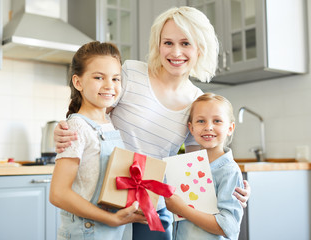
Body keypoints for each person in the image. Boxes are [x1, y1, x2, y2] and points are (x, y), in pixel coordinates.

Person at [53, 6, 250, 240]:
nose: (176, 52)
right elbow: (95, 114)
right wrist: (65, 127)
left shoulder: (197, 102)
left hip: (152, 208)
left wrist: (230, 186)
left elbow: (197, 169)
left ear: (201, 48)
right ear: (158, 45)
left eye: (186, 43)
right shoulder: (131, 73)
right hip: (107, 201)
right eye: (168, 42)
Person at [49, 41, 146, 240]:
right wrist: (110, 219)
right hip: (86, 232)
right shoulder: (77, 127)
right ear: (78, 83)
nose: (109, 85)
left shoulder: (109, 123)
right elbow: (58, 193)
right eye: (98, 77)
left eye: (116, 78)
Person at [165, 93, 244, 240]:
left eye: (217, 121)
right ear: (191, 128)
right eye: (201, 121)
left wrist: (182, 209)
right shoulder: (185, 167)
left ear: (230, 128)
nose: (208, 127)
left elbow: (229, 227)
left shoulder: (229, 171)